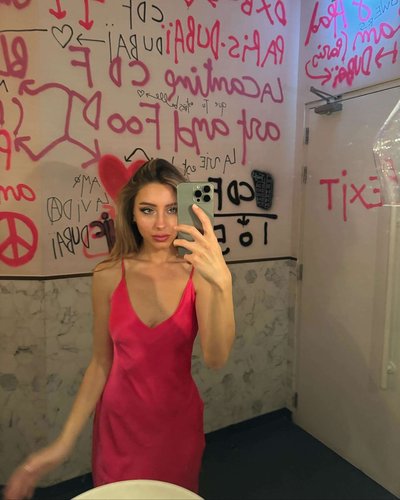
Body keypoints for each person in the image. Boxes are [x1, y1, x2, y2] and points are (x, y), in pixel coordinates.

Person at [4, 158, 235, 500]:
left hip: (176, 426)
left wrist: (223, 284)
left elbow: (216, 358)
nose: (161, 223)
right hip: (118, 428)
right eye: (148, 210)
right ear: (132, 214)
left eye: (172, 209)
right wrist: (63, 443)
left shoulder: (198, 273)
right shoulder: (108, 275)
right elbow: (100, 362)